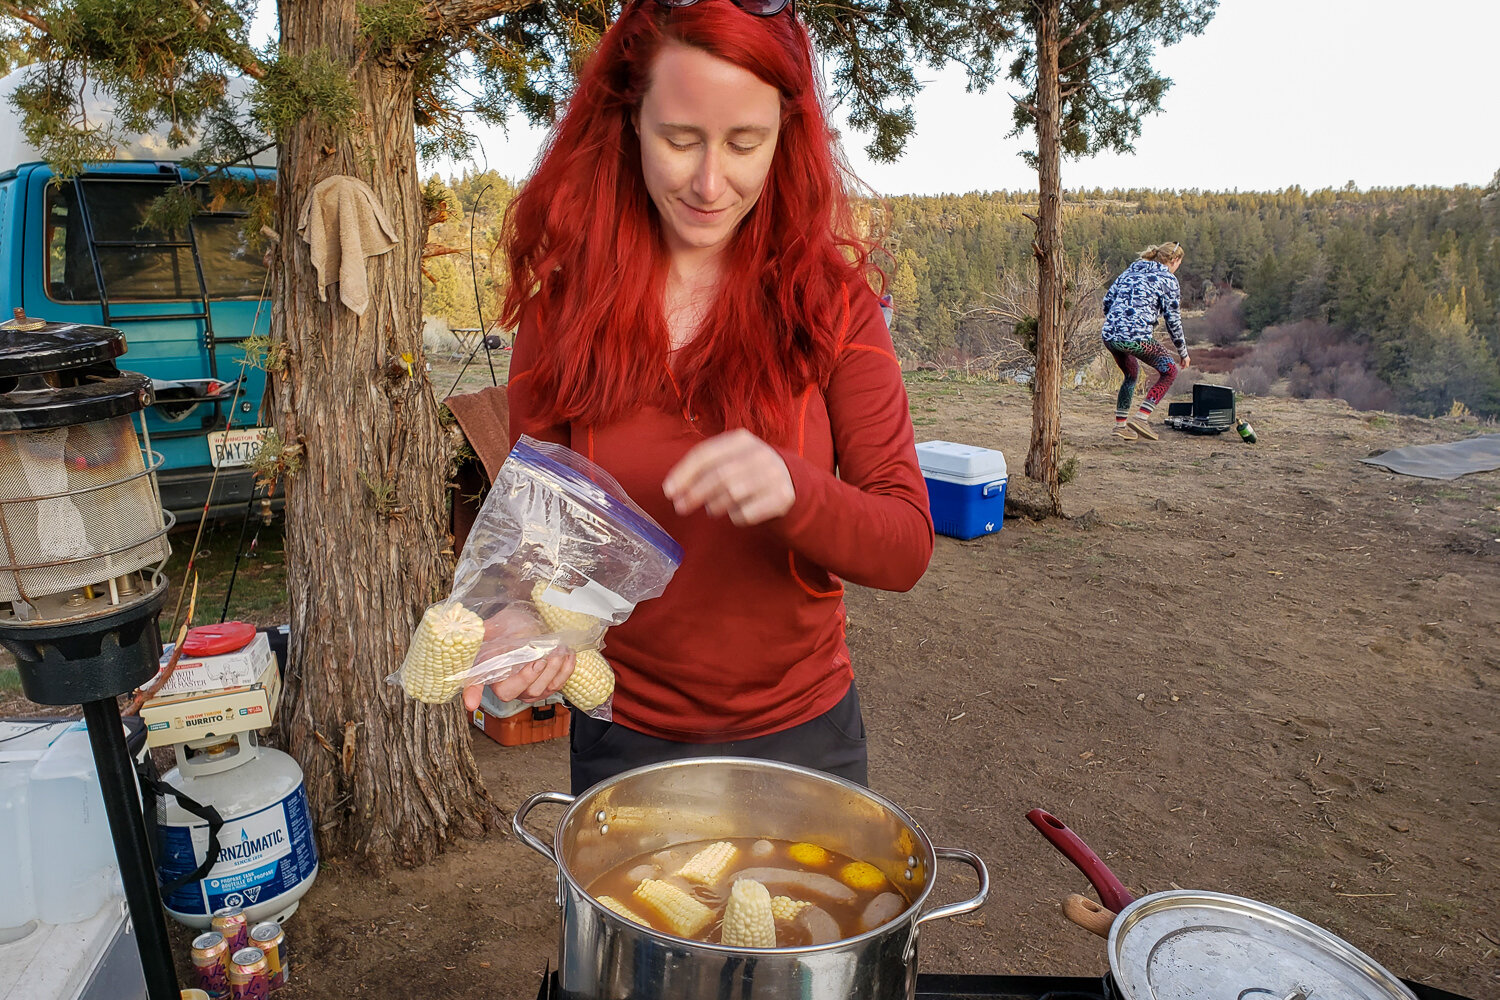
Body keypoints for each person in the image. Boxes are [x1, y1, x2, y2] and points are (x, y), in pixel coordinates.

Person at [469, 0, 934, 795]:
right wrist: (519, 613)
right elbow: (537, 532)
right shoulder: (562, 307)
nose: (712, 183)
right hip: (624, 733)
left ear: (787, 138)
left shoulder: (831, 305)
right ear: (627, 122)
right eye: (679, 140)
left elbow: (905, 545)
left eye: (745, 143)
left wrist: (795, 489)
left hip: (803, 734)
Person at [1101, 242, 1190, 441]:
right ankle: (1142, 417)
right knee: (1170, 370)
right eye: (1179, 263)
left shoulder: (1130, 271)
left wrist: (1118, 323)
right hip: (1137, 338)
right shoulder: (1168, 279)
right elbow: (1173, 321)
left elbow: (1107, 302)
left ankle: (1120, 426)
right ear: (1174, 260)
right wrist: (1183, 352)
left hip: (1109, 335)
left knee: (1131, 374)